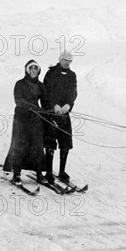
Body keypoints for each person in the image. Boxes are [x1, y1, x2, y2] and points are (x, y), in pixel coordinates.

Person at [3, 60, 47, 183]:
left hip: (35, 119)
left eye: (35, 69)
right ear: (27, 70)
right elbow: (19, 101)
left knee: (37, 145)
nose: (33, 71)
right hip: (21, 118)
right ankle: (16, 173)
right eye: (31, 68)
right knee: (19, 145)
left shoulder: (41, 85)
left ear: (38, 71)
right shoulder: (20, 84)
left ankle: (39, 173)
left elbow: (46, 101)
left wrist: (51, 110)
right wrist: (34, 108)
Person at [42, 50, 77, 183]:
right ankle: (49, 172)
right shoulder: (51, 73)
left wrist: (68, 105)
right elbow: (46, 92)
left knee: (65, 142)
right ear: (60, 59)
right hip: (52, 113)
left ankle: (62, 170)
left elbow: (73, 92)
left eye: (69, 61)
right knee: (50, 143)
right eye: (64, 60)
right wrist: (53, 106)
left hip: (64, 113)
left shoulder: (72, 75)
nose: (66, 63)